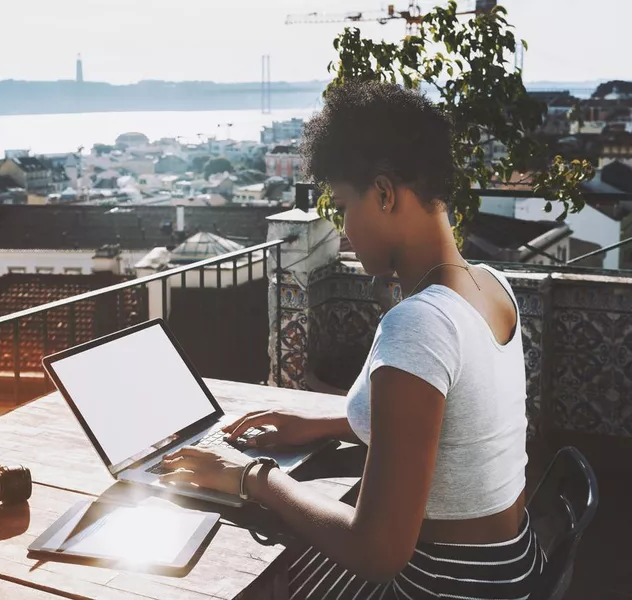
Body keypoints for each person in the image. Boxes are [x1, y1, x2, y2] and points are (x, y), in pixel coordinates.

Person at [160, 81, 545, 599]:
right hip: (512, 566)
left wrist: (252, 476)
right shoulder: (491, 285)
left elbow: (377, 553)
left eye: (343, 206)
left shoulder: (421, 324)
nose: (342, 229)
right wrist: (319, 424)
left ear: (384, 193)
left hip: (447, 585)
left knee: (259, 579)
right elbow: (450, 422)